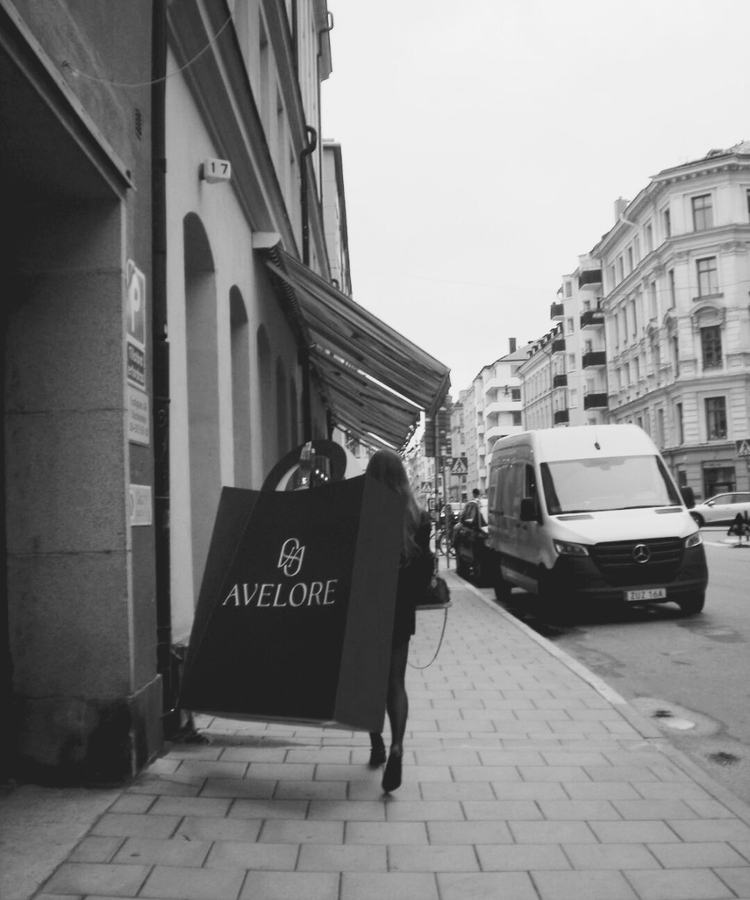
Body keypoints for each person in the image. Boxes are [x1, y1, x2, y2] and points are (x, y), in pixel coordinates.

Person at [365, 448, 434, 792]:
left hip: (365, 608)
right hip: (400, 608)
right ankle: (397, 746)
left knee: (367, 682)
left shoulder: (364, 511)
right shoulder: (419, 516)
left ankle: (376, 744)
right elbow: (425, 568)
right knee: (395, 682)